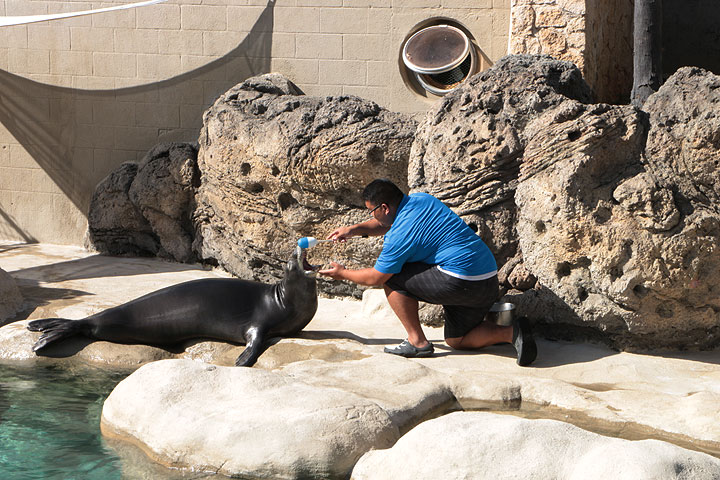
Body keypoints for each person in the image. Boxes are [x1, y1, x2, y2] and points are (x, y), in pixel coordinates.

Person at [318, 179, 537, 366]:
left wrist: (343, 273)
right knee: (457, 340)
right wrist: (354, 230)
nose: (372, 216)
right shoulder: (422, 200)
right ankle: (512, 332)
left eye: (372, 211)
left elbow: (376, 277)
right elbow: (387, 224)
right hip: (488, 280)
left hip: (459, 282)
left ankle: (417, 342)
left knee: (392, 278)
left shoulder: (400, 235)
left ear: (384, 208)